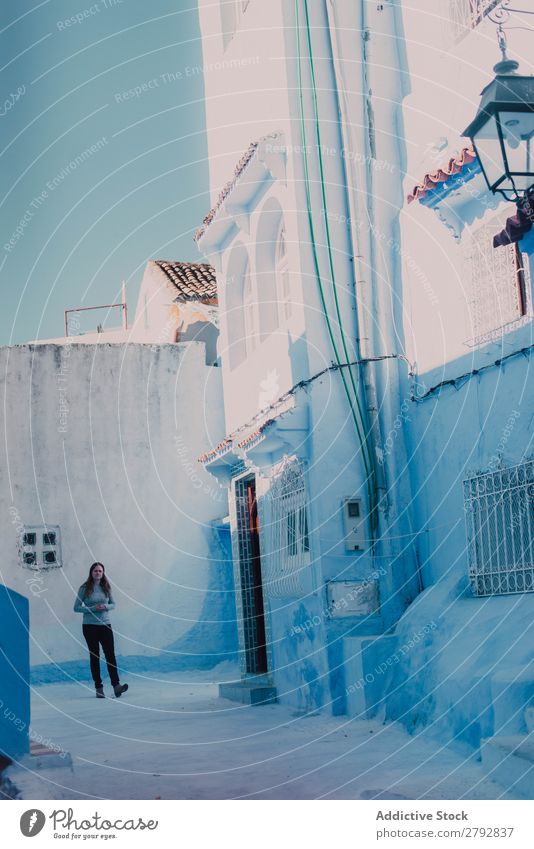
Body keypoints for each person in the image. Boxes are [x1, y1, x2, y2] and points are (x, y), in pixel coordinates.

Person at [74, 562, 128, 699]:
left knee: (110, 655)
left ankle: (117, 686)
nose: (98, 573)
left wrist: (105, 607)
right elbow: (76, 607)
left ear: (103, 573)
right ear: (91, 572)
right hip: (89, 626)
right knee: (95, 656)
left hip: (105, 625)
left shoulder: (106, 587)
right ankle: (99, 688)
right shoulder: (84, 588)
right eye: (95, 571)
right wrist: (92, 609)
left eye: (100, 571)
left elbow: (113, 604)